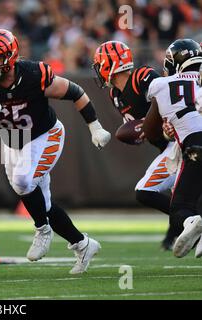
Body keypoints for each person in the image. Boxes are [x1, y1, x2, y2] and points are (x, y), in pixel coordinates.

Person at [0, 29, 110, 274]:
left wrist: (95, 126)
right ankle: (82, 244)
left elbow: (75, 92)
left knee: (22, 182)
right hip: (12, 143)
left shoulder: (33, 75)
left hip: (44, 136)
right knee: (43, 203)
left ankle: (42, 230)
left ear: (11, 57)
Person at [93, 40, 179, 250]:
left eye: (98, 64)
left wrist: (155, 124)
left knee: (149, 191)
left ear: (108, 65)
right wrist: (139, 132)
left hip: (178, 141)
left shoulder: (142, 77)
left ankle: (189, 223)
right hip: (166, 146)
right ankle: (185, 225)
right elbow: (136, 127)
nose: (97, 70)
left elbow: (169, 100)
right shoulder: (115, 95)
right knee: (182, 195)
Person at [143, 39, 202, 259]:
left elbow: (150, 131)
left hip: (195, 146)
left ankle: (191, 221)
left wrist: (166, 130)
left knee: (180, 208)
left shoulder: (161, 84)